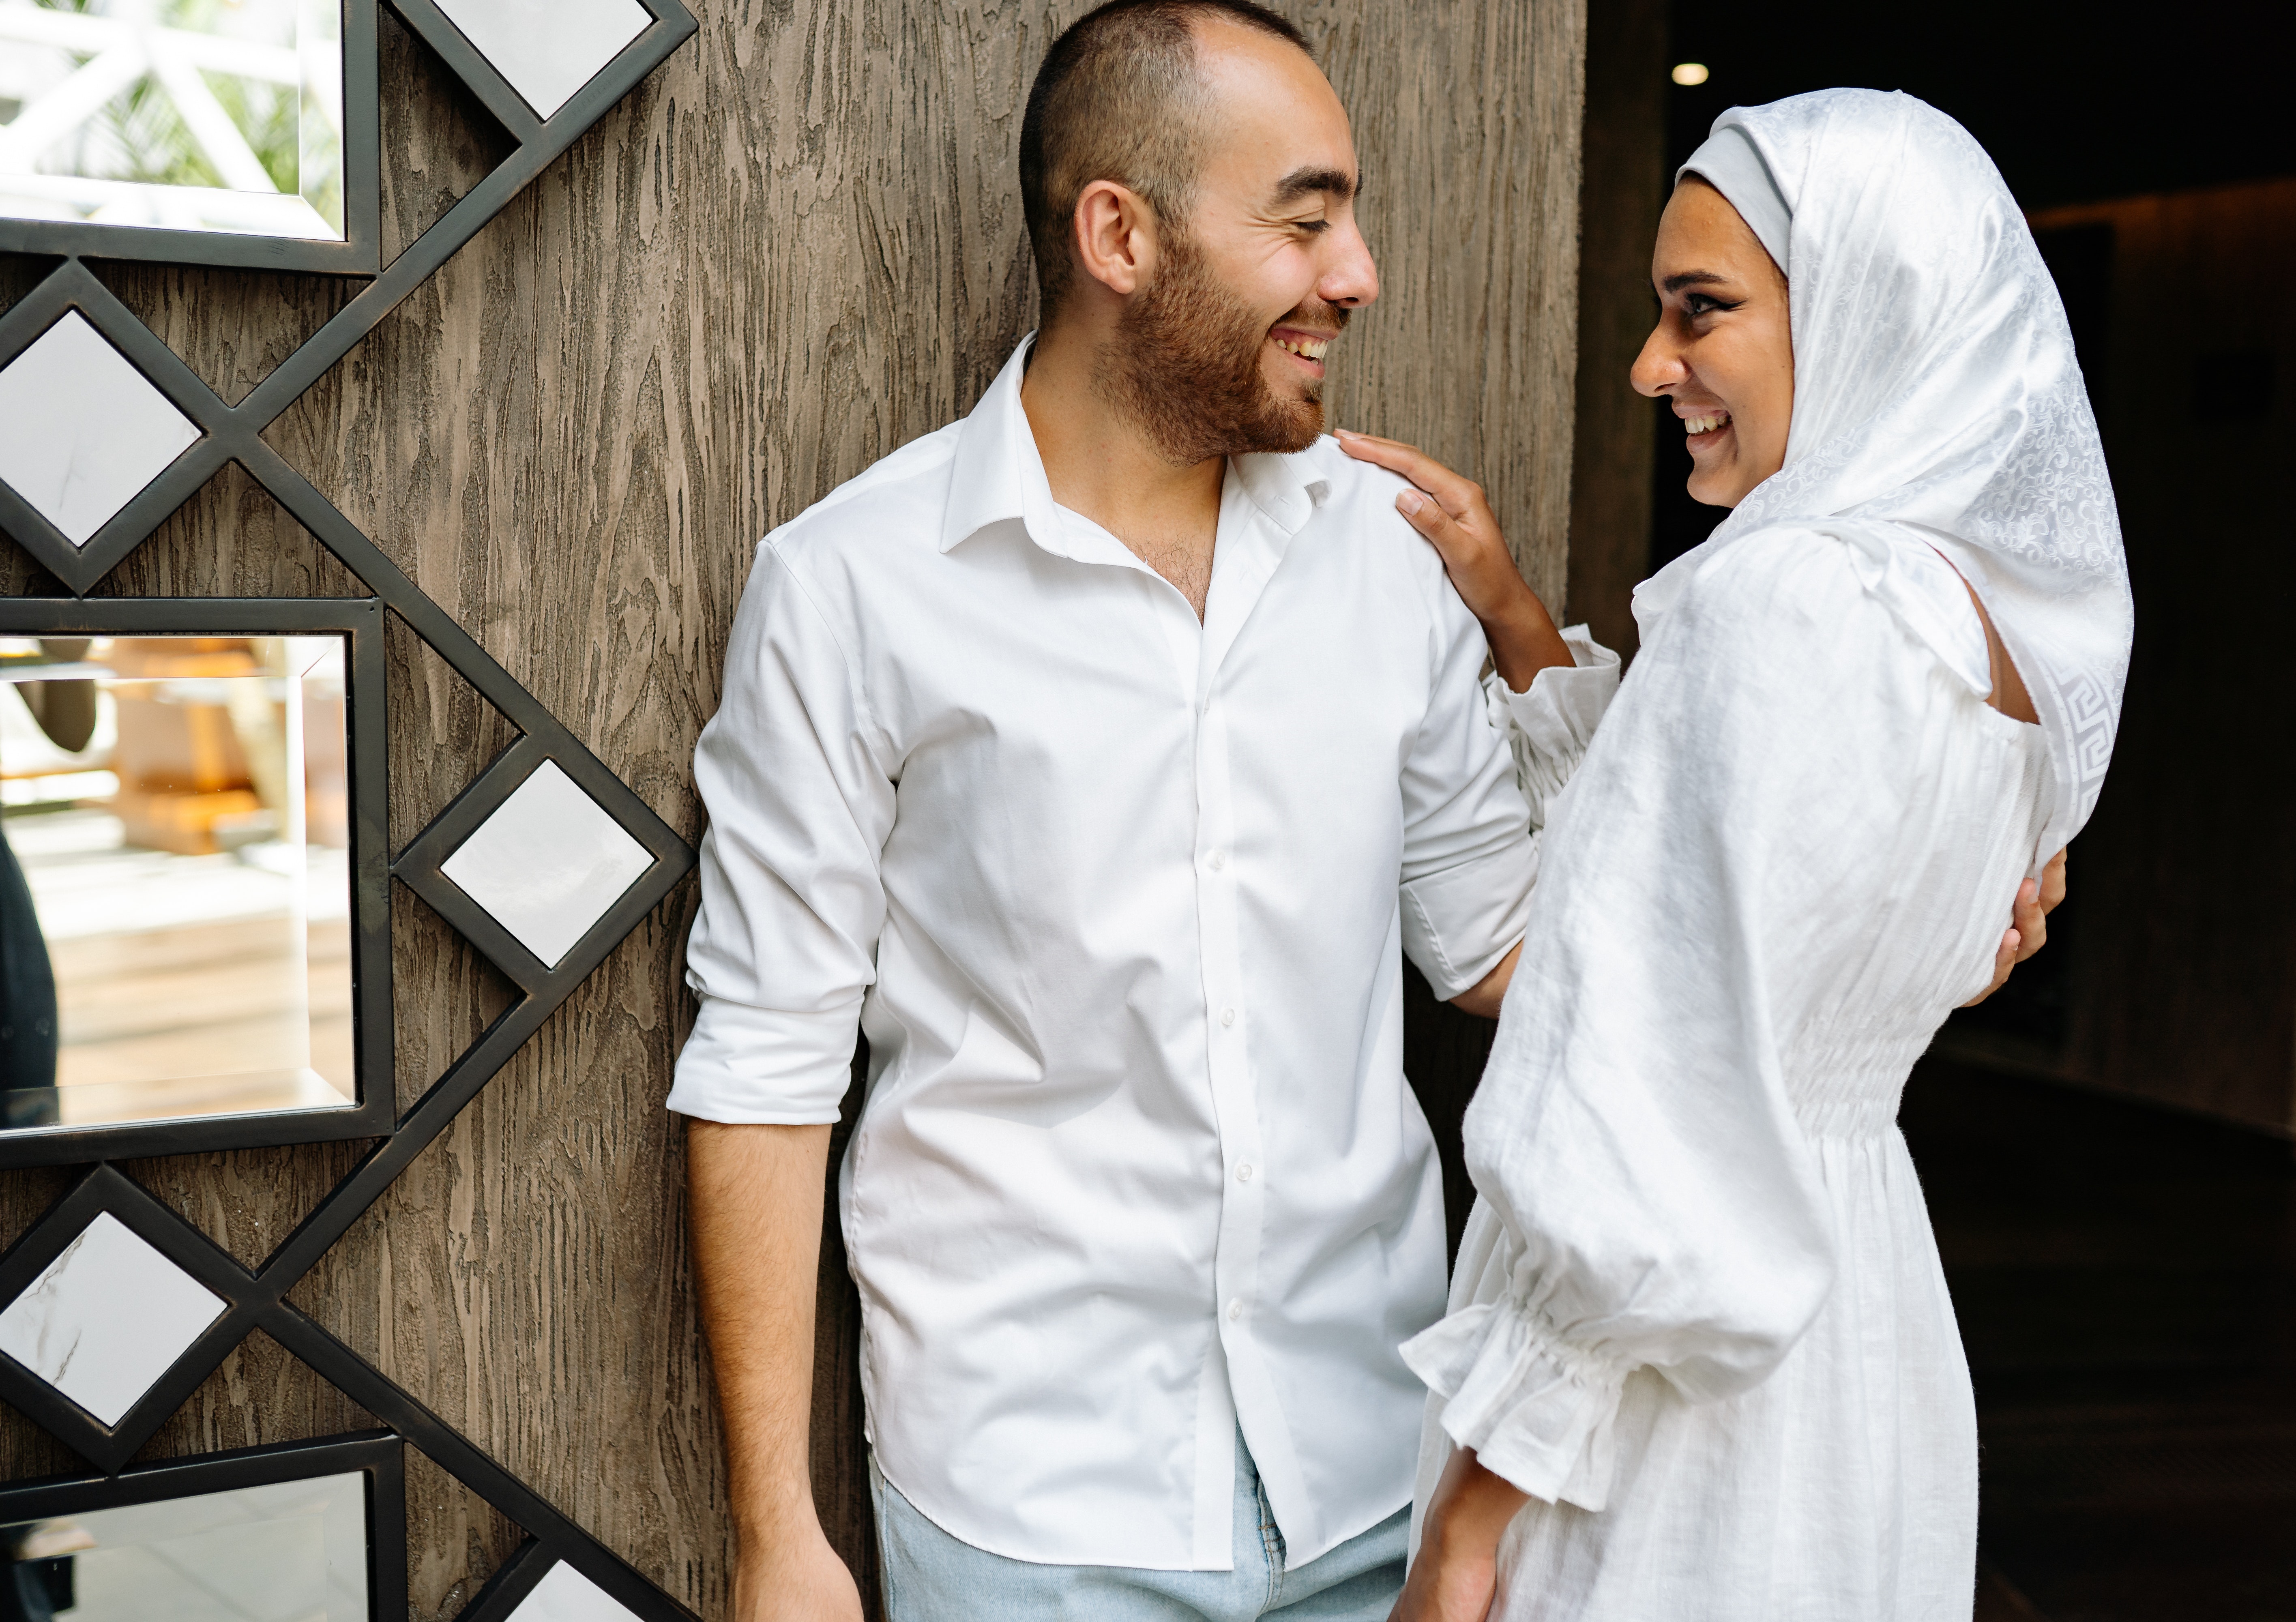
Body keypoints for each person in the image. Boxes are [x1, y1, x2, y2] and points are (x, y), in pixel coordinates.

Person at [670, 6, 1602, 1619]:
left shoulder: (1386, 558)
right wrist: (780, 1531)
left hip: (1381, 1476)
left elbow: (1504, 954)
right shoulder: (852, 584)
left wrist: (1861, 879)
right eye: (1305, 221)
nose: (1360, 272)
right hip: (1027, 1509)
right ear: (1119, 232)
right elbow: (766, 1057)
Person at [1360, 89, 2129, 1621]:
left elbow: (1647, 1109)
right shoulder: (1995, 642)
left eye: (1700, 310)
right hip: (1862, 1340)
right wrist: (1516, 617)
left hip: (1670, 1410)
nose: (1653, 365)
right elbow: (1703, 865)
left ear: (1862, 308)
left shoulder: (1780, 602)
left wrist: (1470, 1518)